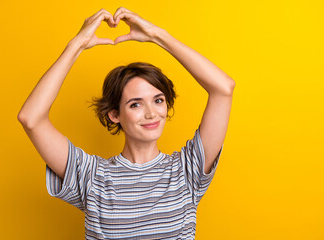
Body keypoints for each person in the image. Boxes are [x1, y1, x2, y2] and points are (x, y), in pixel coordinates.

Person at [18, 7, 235, 239]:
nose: (151, 113)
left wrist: (156, 35)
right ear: (115, 115)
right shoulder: (91, 176)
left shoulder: (186, 170)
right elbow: (31, 118)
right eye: (135, 104)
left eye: (158, 100)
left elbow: (223, 89)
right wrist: (76, 45)